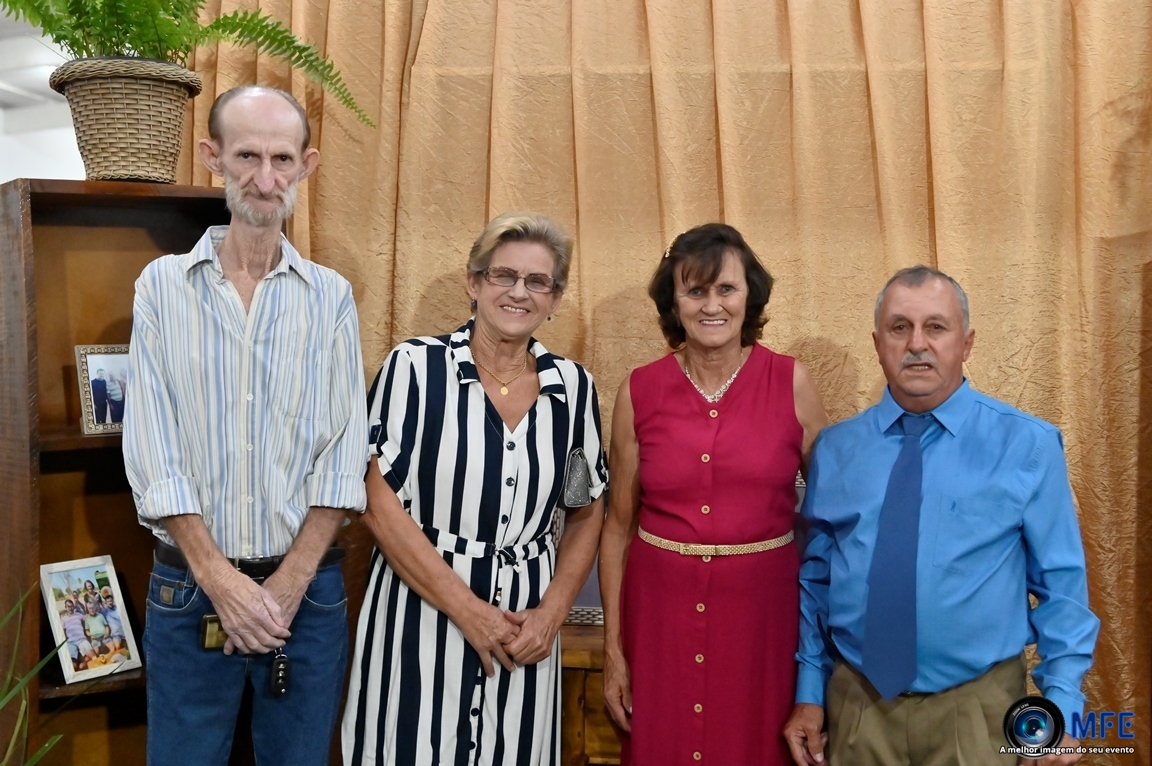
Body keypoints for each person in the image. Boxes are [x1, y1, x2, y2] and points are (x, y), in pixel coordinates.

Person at [123, 85, 368, 765]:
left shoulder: (331, 297)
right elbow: (153, 445)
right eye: (247, 156)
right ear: (213, 158)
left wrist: (287, 585)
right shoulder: (162, 287)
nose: (265, 178)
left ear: (306, 166)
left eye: (282, 158)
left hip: (307, 597)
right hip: (189, 590)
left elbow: (344, 451)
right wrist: (221, 581)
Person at [783, 266, 1099, 766]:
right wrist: (809, 690)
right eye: (899, 327)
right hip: (857, 708)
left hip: (979, 711)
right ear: (877, 343)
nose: (917, 344)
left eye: (936, 326)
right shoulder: (836, 450)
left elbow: (1062, 586)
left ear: (966, 342)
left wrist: (1062, 702)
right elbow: (816, 583)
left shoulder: (1028, 445)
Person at [341, 212, 607, 765]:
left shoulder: (573, 388)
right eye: (503, 275)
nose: (518, 292)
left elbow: (585, 510)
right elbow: (377, 502)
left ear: (555, 298)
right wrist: (467, 609)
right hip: (419, 618)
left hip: (525, 633)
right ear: (474, 282)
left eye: (537, 281)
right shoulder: (415, 368)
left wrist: (552, 614)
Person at [599, 223, 827, 765]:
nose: (711, 305)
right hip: (659, 623)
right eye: (694, 290)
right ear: (673, 302)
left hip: (764, 623)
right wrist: (614, 651)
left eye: (726, 289)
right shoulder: (638, 390)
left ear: (750, 296)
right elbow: (618, 528)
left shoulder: (792, 382)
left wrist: (817, 667)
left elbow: (830, 522)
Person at [60, 599, 93, 671]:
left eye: (71, 606)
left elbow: (87, 617)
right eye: (68, 606)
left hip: (81, 639)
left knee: (92, 656)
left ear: (73, 607)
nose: (70, 608)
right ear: (65, 607)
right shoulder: (63, 619)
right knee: (73, 665)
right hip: (70, 642)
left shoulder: (78, 615)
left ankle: (83, 663)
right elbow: (62, 632)